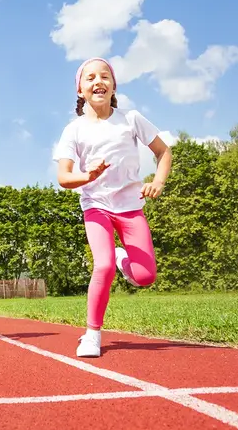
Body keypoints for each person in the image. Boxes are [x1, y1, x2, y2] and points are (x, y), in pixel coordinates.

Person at [52, 57, 172, 358]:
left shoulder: (131, 120)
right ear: (80, 90)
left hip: (131, 206)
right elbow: (64, 177)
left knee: (145, 277)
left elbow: (163, 151)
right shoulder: (74, 130)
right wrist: (87, 176)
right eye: (90, 77)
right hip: (96, 205)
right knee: (101, 265)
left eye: (104, 76)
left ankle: (123, 259)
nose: (98, 81)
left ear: (113, 85)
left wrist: (158, 181)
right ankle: (92, 334)